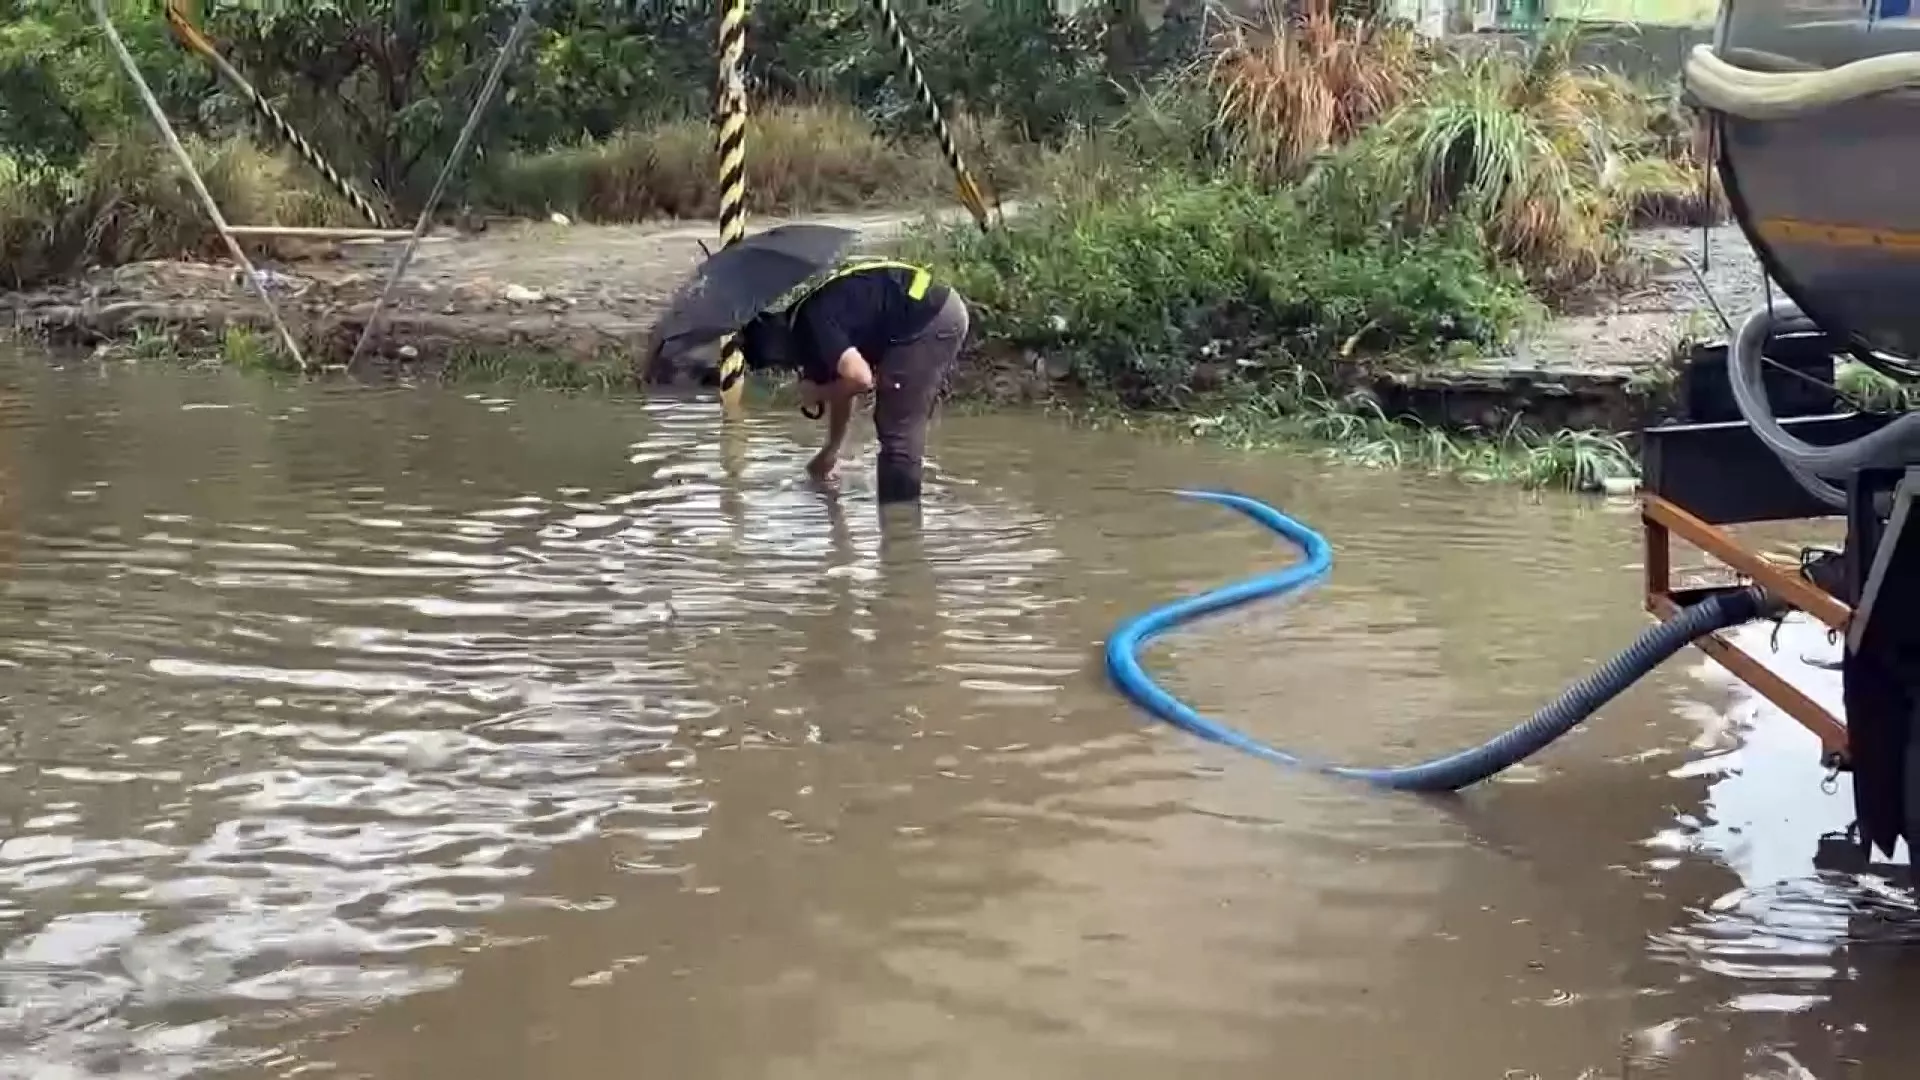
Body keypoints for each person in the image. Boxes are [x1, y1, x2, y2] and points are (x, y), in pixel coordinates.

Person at [739, 259, 969, 504]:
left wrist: (819, 392)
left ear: (778, 349)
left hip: (929, 317)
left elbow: (861, 379)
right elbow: (845, 385)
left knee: (897, 431)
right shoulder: (803, 324)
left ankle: (901, 528)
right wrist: (831, 451)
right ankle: (898, 517)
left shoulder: (814, 324)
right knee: (893, 425)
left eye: (779, 365)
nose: (788, 370)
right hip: (921, 311)